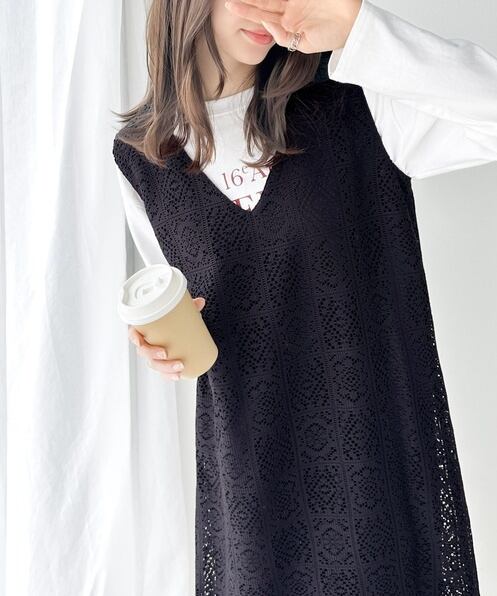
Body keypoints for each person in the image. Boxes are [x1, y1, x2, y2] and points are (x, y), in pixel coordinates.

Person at [112, 0, 497, 593]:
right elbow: (193, 307)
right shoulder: (144, 158)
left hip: (374, 465)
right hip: (251, 482)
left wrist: (358, 28)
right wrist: (163, 347)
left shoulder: (354, 94)